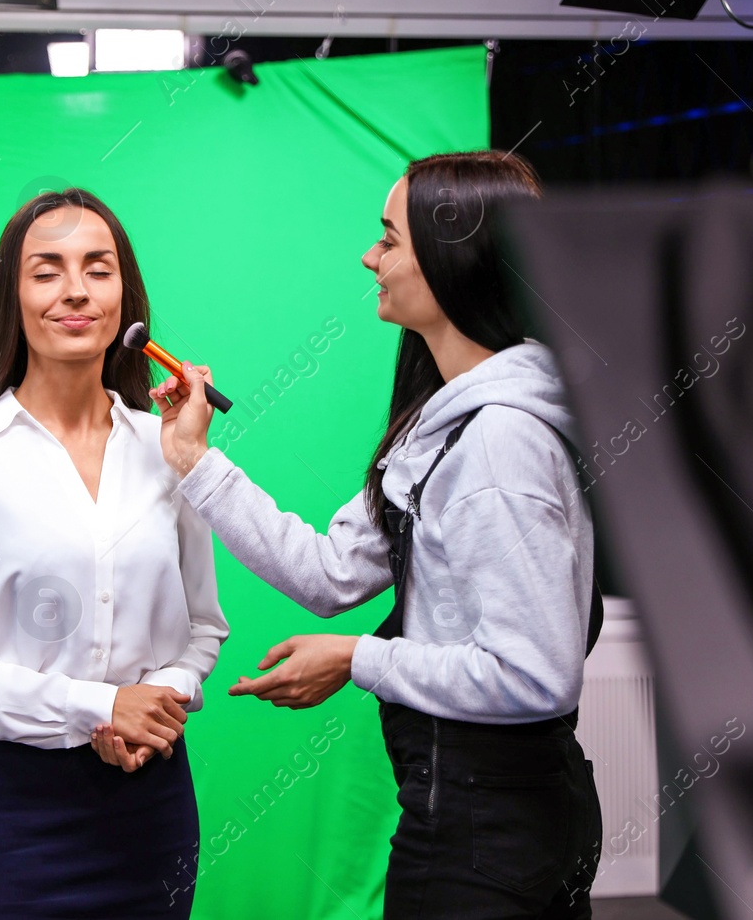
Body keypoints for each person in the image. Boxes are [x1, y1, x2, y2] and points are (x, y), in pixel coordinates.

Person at [149, 150, 603, 919]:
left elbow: (535, 676)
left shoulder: (500, 443)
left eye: (389, 238)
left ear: (453, 258)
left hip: (490, 829)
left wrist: (360, 657)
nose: (371, 256)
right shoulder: (444, 421)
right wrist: (194, 459)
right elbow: (329, 576)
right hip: (469, 815)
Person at [0, 187, 229, 918]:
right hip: (11, 812)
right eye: (46, 271)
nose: (75, 290)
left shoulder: (171, 447)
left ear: (126, 299)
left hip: (153, 800)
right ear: (12, 296)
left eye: (97, 269)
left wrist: (159, 706)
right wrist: (101, 706)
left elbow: (204, 626)